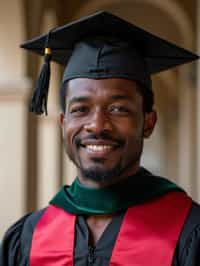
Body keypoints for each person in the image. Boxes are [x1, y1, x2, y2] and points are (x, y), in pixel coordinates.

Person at [1, 11, 200, 266]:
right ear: (63, 124)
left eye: (118, 109)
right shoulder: (27, 238)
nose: (97, 125)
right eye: (80, 109)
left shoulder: (188, 231)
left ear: (148, 123)